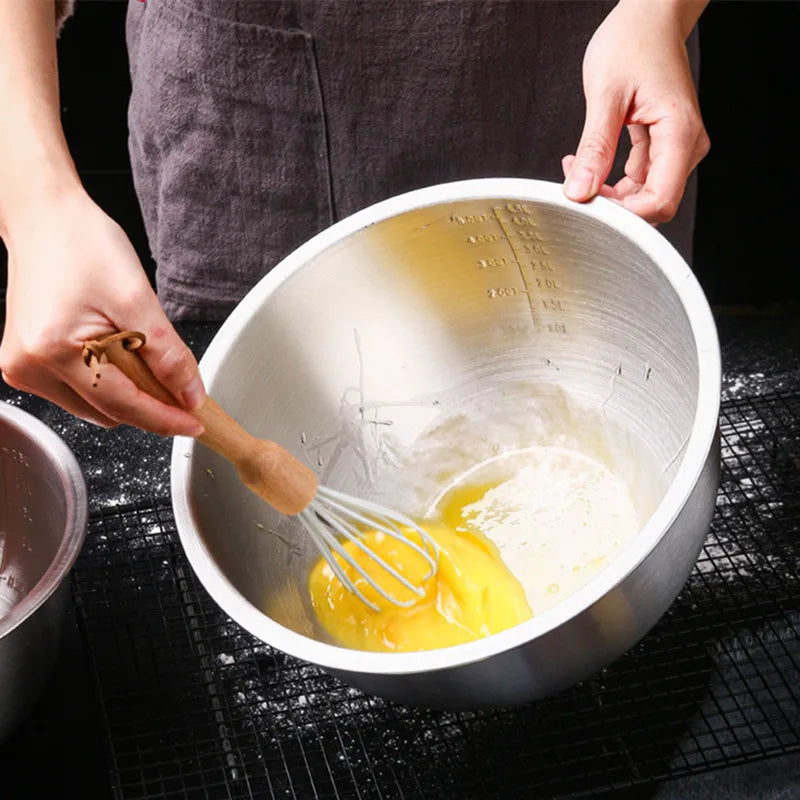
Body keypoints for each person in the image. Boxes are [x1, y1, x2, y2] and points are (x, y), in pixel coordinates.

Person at [0, 0, 709, 439]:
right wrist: (35, 206)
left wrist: (660, 11)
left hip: (579, 75)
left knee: (612, 397)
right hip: (251, 112)